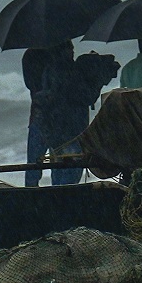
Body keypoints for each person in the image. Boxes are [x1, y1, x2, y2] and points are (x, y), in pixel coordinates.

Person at [36, 49, 118, 186]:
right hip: (72, 131)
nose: (72, 51)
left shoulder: (49, 70)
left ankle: (57, 202)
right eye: (70, 48)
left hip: (54, 130)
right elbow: (86, 97)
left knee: (58, 171)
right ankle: (65, 201)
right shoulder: (73, 73)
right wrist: (96, 84)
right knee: (72, 172)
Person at [23, 41, 72, 186]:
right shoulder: (57, 60)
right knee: (58, 161)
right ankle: (56, 197)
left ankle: (30, 197)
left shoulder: (29, 55)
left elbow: (30, 84)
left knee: (33, 164)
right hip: (58, 118)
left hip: (37, 114)